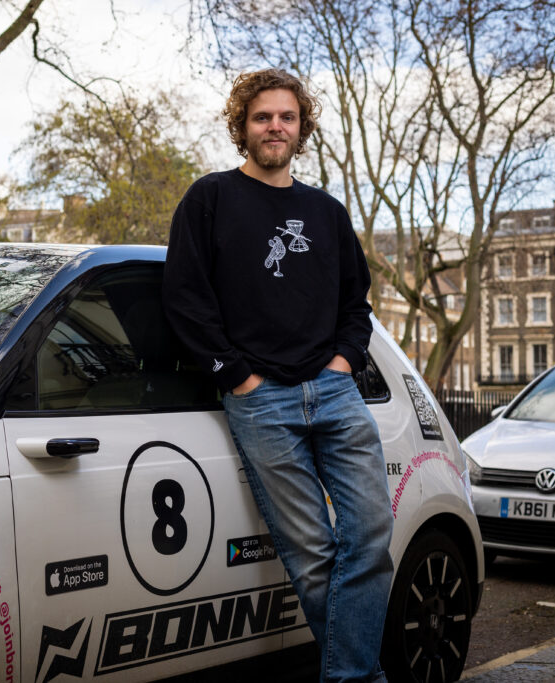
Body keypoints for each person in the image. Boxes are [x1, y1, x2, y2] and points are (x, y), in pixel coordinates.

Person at [162, 69, 394, 683]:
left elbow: (356, 302)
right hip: (262, 401)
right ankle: (359, 677)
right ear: (242, 126)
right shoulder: (209, 199)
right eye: (263, 117)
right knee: (312, 554)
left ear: (301, 127)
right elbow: (185, 299)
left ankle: (351, 676)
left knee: (371, 536)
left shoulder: (325, 210)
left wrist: (344, 362)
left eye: (286, 117)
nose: (275, 127)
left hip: (335, 391)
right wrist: (237, 377)